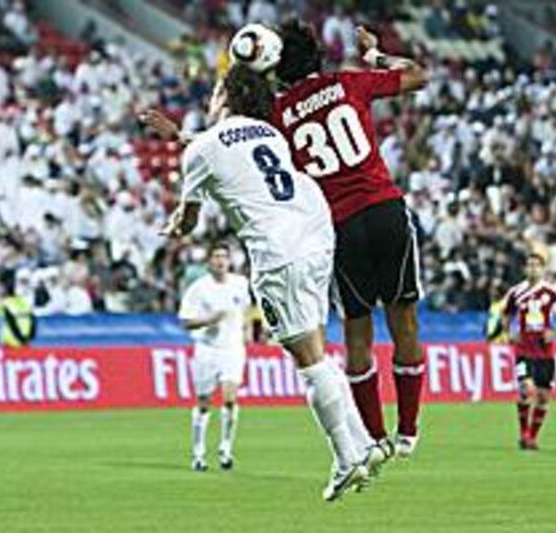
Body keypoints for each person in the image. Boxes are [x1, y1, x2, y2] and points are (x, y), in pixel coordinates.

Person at [143, 64, 388, 502]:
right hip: (316, 237)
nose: (212, 95)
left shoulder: (200, 151)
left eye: (217, 89)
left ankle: (347, 457)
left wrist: (178, 223)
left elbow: (192, 214)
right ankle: (364, 446)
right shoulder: (268, 134)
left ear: (226, 96)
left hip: (278, 253)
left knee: (309, 361)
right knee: (319, 350)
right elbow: (235, 159)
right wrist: (182, 137)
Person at [269, 20, 428, 456]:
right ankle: (409, 431)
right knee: (405, 320)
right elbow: (418, 74)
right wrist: (374, 55)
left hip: (339, 226)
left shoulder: (278, 114)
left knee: (358, 334)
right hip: (384, 209)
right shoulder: (347, 83)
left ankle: (376, 439)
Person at [178, 242, 252, 472]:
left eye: (224, 256)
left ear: (229, 261)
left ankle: (225, 448)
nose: (220, 261)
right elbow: (185, 321)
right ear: (209, 262)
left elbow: (246, 310)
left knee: (230, 398)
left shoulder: (241, 284)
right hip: (206, 349)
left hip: (232, 349)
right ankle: (198, 453)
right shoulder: (199, 288)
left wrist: (247, 330)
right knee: (203, 402)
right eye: (216, 257)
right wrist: (208, 320)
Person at [501, 253, 556, 451]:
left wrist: (554, 332)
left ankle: (532, 436)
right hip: (524, 348)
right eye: (529, 265)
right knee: (526, 389)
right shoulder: (516, 292)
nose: (532, 269)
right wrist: (508, 333)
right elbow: (505, 315)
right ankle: (523, 433)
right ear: (525, 269)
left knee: (543, 396)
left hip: (544, 351)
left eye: (536, 266)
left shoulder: (552, 292)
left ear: (543, 269)